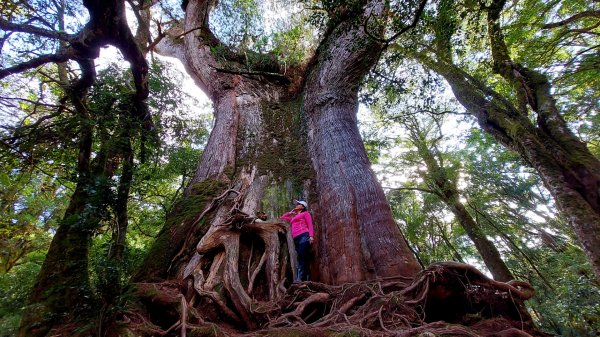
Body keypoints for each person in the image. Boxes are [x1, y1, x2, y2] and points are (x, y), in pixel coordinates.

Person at [280, 200, 314, 282]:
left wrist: (311, 236)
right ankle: (305, 278)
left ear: (303, 207)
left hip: (304, 235)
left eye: (298, 204)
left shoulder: (306, 214)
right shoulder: (293, 217)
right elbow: (282, 218)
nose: (296, 205)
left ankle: (300, 279)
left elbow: (310, 224)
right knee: (301, 257)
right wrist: (290, 213)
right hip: (296, 238)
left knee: (302, 257)